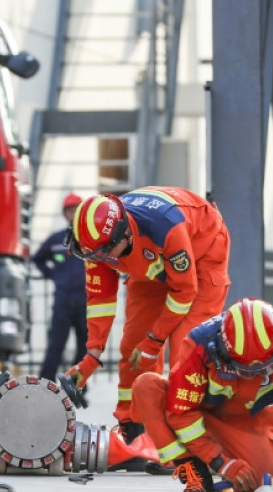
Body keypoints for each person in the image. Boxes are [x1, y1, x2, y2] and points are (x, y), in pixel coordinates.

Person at [63, 187, 230, 471]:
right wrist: (91, 356)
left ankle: (190, 444)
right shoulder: (97, 243)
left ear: (124, 235)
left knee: (186, 351)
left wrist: (154, 341)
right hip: (149, 262)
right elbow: (100, 301)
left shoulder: (165, 228)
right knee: (132, 346)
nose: (100, 259)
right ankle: (134, 432)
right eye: (93, 255)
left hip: (202, 252)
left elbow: (184, 293)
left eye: (104, 253)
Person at [131, 298, 273, 492]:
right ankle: (192, 471)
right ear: (223, 350)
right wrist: (221, 462)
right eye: (245, 370)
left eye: (265, 368)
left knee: (260, 480)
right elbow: (181, 415)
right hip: (197, 416)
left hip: (249, 422)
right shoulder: (200, 346)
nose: (255, 375)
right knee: (146, 387)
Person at [32, 192, 87, 382]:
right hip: (63, 299)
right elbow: (37, 258)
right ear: (65, 213)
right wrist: (52, 275)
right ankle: (44, 384)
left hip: (85, 300)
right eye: (70, 210)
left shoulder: (90, 239)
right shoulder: (56, 240)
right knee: (56, 345)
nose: (73, 214)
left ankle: (78, 386)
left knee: (85, 346)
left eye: (76, 210)